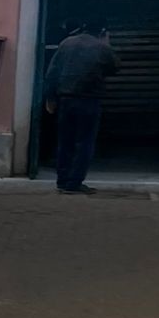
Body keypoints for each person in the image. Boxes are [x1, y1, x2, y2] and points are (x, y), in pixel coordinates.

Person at [44, 19, 119, 194]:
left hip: (66, 99)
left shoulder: (66, 43)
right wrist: (107, 43)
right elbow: (114, 68)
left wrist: (50, 97)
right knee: (85, 142)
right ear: (102, 33)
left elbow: (52, 72)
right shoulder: (101, 47)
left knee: (65, 141)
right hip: (89, 100)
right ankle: (74, 183)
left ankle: (62, 181)